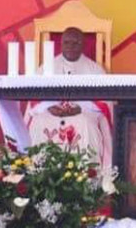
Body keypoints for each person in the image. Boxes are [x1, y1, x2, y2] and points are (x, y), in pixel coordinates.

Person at [24, 27, 113, 169]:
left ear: (83, 45)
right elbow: (33, 98)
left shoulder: (95, 70)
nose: (70, 46)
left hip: (82, 114)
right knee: (38, 122)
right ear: (61, 44)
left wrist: (80, 108)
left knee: (86, 124)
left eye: (76, 43)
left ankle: (88, 175)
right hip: (50, 114)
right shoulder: (46, 68)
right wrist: (49, 106)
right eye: (67, 42)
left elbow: (104, 102)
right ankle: (39, 173)